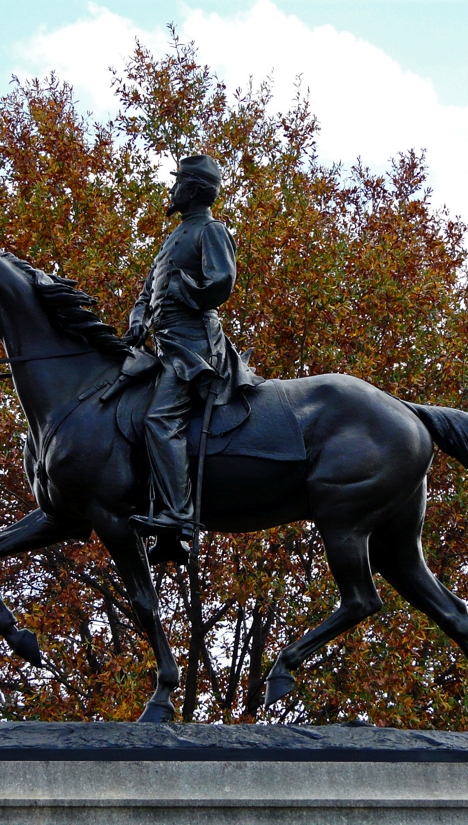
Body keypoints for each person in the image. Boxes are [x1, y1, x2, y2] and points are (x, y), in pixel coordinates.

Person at [124, 154, 261, 547]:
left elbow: (222, 281)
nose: (172, 190)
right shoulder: (173, 237)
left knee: (159, 419)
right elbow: (148, 288)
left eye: (178, 182)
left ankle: (178, 518)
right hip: (164, 343)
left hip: (195, 344)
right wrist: (138, 320)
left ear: (195, 190)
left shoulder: (211, 230)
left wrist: (189, 290)